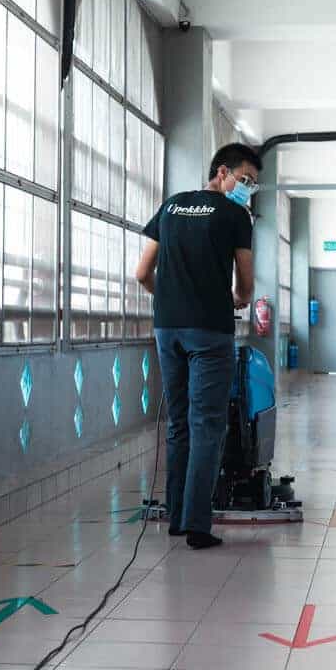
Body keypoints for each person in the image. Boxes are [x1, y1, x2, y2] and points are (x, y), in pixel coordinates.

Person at [135, 143, 262, 549]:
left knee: (178, 422)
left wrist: (170, 298)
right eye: (245, 179)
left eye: (253, 184)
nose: (247, 188)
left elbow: (142, 273)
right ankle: (196, 525)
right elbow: (245, 279)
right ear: (222, 172)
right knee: (207, 423)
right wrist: (240, 297)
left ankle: (176, 516)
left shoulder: (171, 207)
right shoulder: (235, 215)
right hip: (209, 329)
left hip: (167, 327)